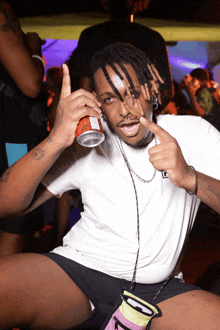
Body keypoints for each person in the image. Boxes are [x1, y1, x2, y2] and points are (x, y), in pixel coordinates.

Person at [0, 42, 220, 330]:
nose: (125, 110)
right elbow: (7, 203)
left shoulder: (194, 134)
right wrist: (56, 139)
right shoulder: (87, 142)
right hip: (79, 274)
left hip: (159, 291)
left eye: (132, 94)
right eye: (110, 99)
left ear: (152, 88)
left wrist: (191, 178)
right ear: (99, 103)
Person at [0, 1, 47, 256]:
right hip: (12, 139)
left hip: (10, 136)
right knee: (17, 211)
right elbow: (31, 83)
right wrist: (34, 49)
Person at [67, 0, 173, 113]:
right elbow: (165, 94)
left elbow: (84, 89)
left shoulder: (91, 36)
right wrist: (144, 114)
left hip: (101, 120)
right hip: (139, 118)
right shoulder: (152, 38)